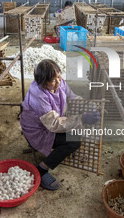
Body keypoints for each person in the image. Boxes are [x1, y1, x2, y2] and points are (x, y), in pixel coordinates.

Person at [20, 59, 100, 190]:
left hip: (50, 122)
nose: (58, 81)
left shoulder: (59, 82)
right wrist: (82, 119)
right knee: (73, 141)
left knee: (76, 130)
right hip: (38, 130)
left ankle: (53, 154)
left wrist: (89, 105)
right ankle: (41, 170)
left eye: (58, 76)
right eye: (53, 80)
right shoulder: (38, 95)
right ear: (43, 83)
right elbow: (54, 124)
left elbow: (72, 97)